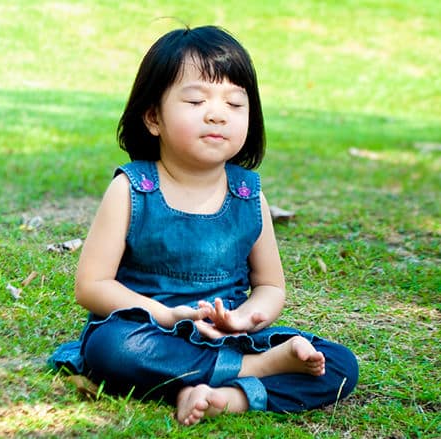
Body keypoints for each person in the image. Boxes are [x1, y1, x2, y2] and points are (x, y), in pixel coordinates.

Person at [49, 25, 358, 425]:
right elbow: (91, 286)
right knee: (111, 349)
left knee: (338, 364)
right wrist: (166, 315)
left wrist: (246, 318)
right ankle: (254, 372)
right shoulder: (133, 189)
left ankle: (222, 397)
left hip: (228, 335)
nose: (217, 113)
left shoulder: (248, 196)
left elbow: (270, 285)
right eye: (196, 100)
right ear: (153, 117)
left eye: (235, 104)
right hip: (150, 331)